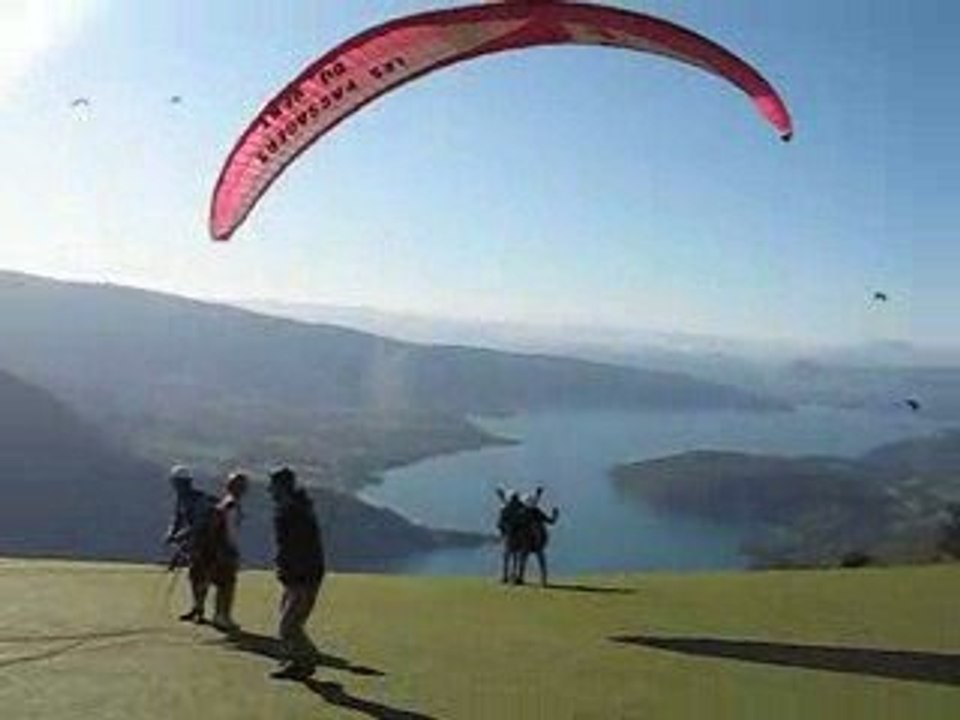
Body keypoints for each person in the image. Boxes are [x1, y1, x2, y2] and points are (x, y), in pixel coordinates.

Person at [268, 466, 326, 680]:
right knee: (288, 620)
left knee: (289, 625)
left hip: (304, 575)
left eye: (272, 486)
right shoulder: (295, 507)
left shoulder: (292, 511)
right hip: (301, 573)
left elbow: (297, 548)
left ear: (281, 487)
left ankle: (307, 660)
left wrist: (291, 574)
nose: (269, 490)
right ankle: (297, 659)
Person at [164, 465, 217, 623]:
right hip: (194, 543)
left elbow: (199, 525)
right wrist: (171, 533)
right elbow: (178, 519)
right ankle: (197, 608)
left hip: (206, 543)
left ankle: (199, 609)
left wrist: (179, 536)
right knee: (194, 576)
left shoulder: (199, 500)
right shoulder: (182, 499)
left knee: (200, 575)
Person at [206, 471, 249, 632]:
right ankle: (223, 616)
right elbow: (230, 531)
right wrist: (233, 550)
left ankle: (219, 615)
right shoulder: (231, 505)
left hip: (218, 550)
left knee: (222, 584)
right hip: (225, 551)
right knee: (227, 584)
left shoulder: (223, 503)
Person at [515, 488, 560, 587]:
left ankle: (520, 578)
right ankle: (543, 580)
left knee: (522, 559)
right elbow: (551, 521)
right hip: (537, 541)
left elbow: (516, 525)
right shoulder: (536, 512)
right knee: (540, 561)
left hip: (527, 541)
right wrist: (555, 515)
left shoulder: (522, 513)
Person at [495, 487, 526, 584]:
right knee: (515, 557)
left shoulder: (506, 508)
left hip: (510, 536)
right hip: (519, 535)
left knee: (507, 557)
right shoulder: (521, 507)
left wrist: (503, 532)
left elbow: (499, 523)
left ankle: (506, 577)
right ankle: (515, 577)